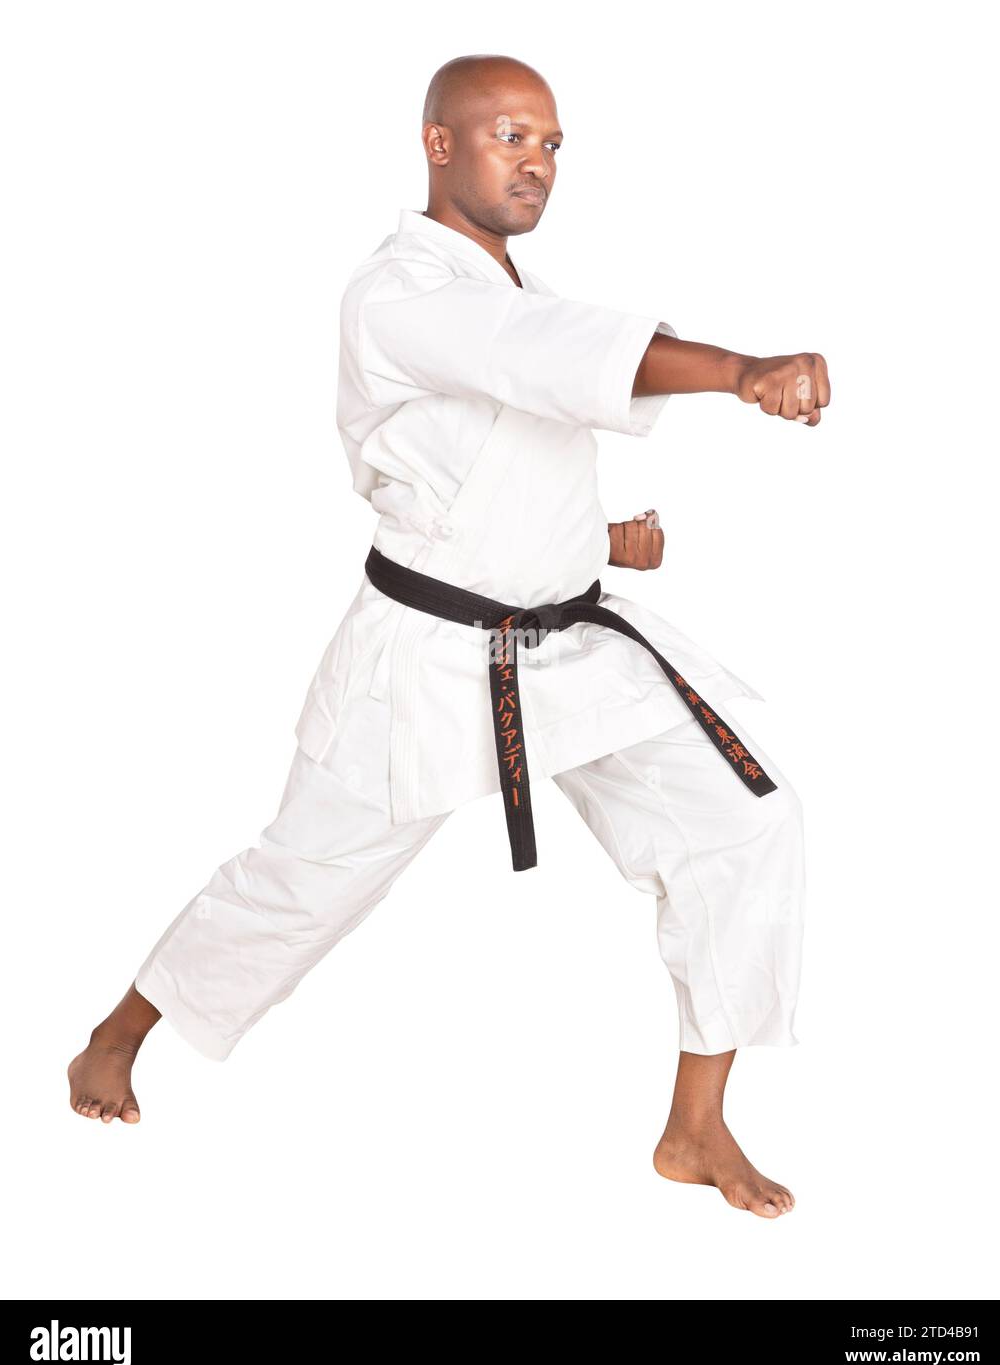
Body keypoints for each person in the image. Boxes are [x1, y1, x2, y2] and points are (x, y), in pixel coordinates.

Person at [68, 53, 829, 1220]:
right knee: (300, 880)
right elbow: (541, 359)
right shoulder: (403, 290)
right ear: (439, 144)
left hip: (568, 646)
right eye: (511, 136)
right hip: (422, 663)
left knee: (745, 821)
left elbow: (493, 448)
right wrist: (741, 371)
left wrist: (596, 538)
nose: (537, 161)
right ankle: (118, 1033)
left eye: (553, 144)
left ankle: (695, 1124)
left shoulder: (499, 290)